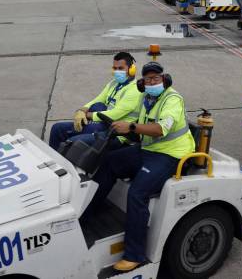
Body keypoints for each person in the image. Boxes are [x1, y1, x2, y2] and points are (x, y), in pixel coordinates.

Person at [82, 62, 195, 272]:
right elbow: (137, 126)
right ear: (142, 82)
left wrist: (131, 127)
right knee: (109, 161)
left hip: (171, 155)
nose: (152, 82)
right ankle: (89, 212)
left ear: (165, 79)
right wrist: (121, 128)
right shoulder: (147, 98)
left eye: (156, 78)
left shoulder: (172, 99)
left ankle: (135, 254)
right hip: (148, 150)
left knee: (137, 193)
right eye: (148, 79)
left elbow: (161, 129)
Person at [49, 52, 141, 149]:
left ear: (132, 69)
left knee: (73, 142)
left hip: (117, 134)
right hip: (103, 124)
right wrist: (82, 110)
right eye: (115, 68)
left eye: (121, 68)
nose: (117, 72)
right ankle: (53, 160)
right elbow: (98, 99)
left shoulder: (135, 90)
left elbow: (114, 114)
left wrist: (87, 115)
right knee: (57, 128)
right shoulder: (114, 83)